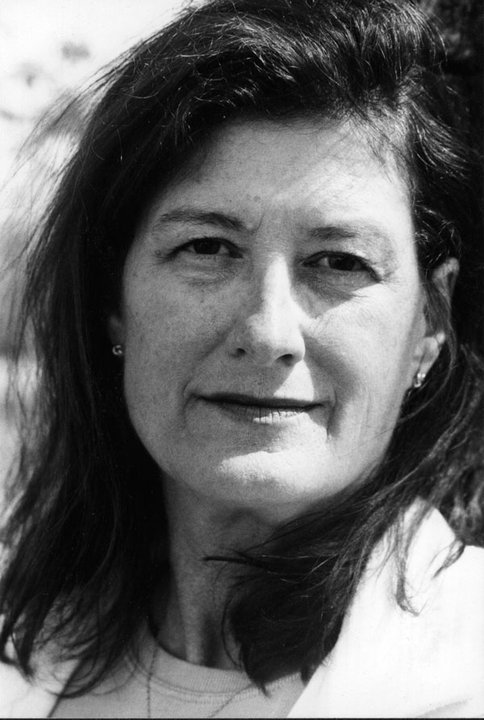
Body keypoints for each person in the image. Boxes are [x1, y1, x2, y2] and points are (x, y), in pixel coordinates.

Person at [1, 0, 483, 716]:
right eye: (208, 247)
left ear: (430, 320)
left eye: (340, 262)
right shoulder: (23, 652)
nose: (268, 330)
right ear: (112, 298)